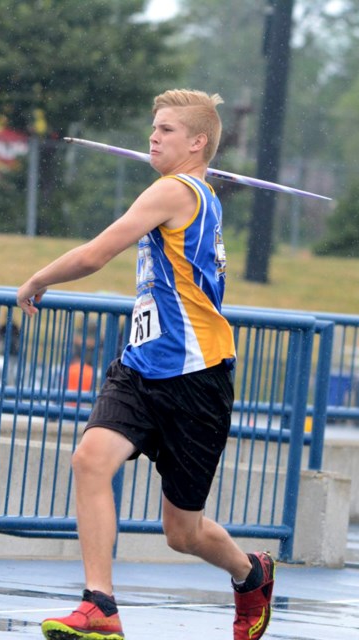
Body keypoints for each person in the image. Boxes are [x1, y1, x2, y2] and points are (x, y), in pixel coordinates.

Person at [16, 89, 275, 640]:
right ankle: (99, 605)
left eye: (166, 130)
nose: (153, 138)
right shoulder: (188, 191)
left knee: (182, 533)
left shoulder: (178, 191)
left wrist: (39, 278)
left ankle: (251, 574)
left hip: (197, 378)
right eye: (152, 129)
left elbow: (96, 252)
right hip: (140, 368)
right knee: (90, 459)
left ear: (197, 143)